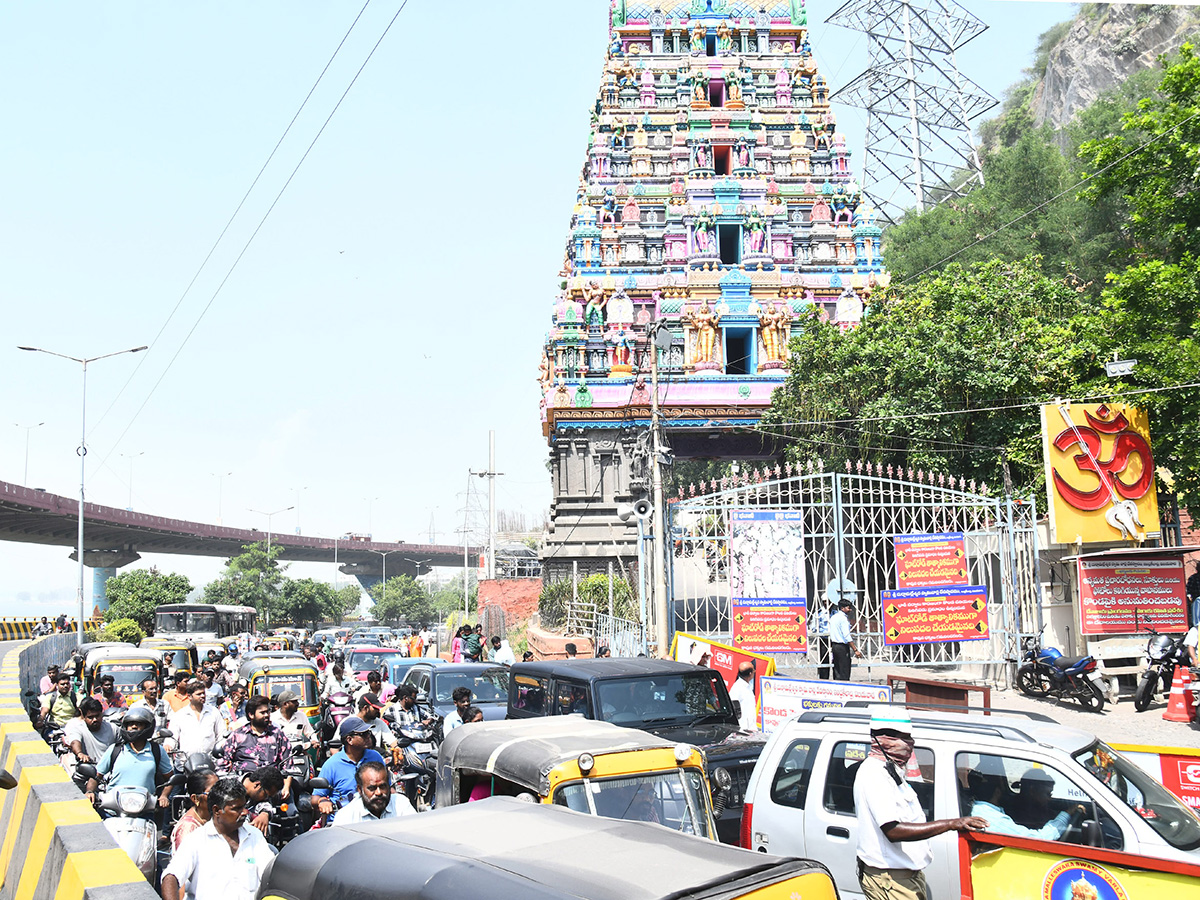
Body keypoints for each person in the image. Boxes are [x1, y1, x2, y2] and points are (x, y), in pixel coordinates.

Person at [853, 709, 986, 900]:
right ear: (885, 739)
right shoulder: (873, 774)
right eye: (903, 738)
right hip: (890, 880)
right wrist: (951, 824)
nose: (910, 744)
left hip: (906, 876)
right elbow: (893, 831)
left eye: (909, 737)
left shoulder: (891, 769)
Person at [161, 777, 276, 900]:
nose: (244, 813)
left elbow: (271, 875)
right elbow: (171, 877)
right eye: (236, 808)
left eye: (243, 807)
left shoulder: (254, 835)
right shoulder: (196, 840)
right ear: (217, 811)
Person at [967, 757, 1080, 840]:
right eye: (1048, 794)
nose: (1049, 799)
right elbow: (1039, 839)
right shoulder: (992, 819)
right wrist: (1067, 814)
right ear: (998, 790)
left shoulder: (981, 809)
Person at [87, 706, 173, 809]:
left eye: (139, 724)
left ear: (147, 727)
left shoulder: (157, 751)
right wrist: (90, 791)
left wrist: (164, 796)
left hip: (144, 809)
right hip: (114, 810)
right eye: (130, 724)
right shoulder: (115, 750)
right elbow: (96, 775)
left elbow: (170, 779)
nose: (134, 727)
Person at [314, 717, 386, 824]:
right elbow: (315, 797)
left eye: (369, 733)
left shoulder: (375, 757)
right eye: (363, 734)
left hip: (373, 820)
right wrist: (323, 801)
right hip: (342, 824)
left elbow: (388, 788)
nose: (368, 737)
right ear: (349, 740)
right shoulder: (332, 764)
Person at [221, 695, 289, 775]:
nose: (266, 715)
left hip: (272, 784)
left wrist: (286, 787)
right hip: (243, 783)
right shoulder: (237, 735)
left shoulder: (278, 734)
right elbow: (223, 764)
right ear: (251, 715)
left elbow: (288, 765)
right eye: (262, 713)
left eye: (267, 712)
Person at [332, 760, 415, 825]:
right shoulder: (346, 816)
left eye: (382, 786)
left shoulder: (401, 804)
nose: (378, 793)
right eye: (372, 788)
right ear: (360, 790)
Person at [169, 682, 226, 756]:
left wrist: (220, 746)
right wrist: (168, 745)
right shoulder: (180, 715)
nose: (202, 696)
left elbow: (221, 734)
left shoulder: (213, 712)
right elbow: (172, 737)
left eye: (203, 693)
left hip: (210, 760)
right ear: (189, 696)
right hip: (185, 761)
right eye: (199, 694)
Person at [171, 769, 220, 851]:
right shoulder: (188, 828)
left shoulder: (213, 816)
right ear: (195, 799)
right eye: (213, 792)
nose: (220, 795)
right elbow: (185, 861)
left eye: (220, 790)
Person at [65, 697, 116, 766]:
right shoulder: (78, 729)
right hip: (91, 770)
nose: (95, 719)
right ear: (83, 717)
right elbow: (75, 742)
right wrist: (80, 753)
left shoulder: (112, 728)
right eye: (90, 717)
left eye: (97, 716)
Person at [829, 598, 863, 681]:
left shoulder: (833, 617)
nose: (850, 610)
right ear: (842, 608)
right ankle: (844, 688)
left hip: (834, 645)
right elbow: (847, 636)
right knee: (844, 670)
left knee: (837, 669)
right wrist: (855, 650)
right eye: (848, 608)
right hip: (842, 647)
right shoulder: (843, 619)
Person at [729, 661, 757, 731]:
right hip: (743, 729)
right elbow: (732, 708)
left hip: (750, 728)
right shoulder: (737, 688)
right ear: (750, 673)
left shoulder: (748, 686)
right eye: (753, 671)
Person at [812, 597, 832, 680]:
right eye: (825, 601)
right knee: (824, 659)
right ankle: (824, 678)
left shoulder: (835, 612)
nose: (827, 603)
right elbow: (813, 627)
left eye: (828, 601)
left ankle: (838, 678)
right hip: (823, 639)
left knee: (836, 660)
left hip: (834, 638)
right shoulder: (819, 613)